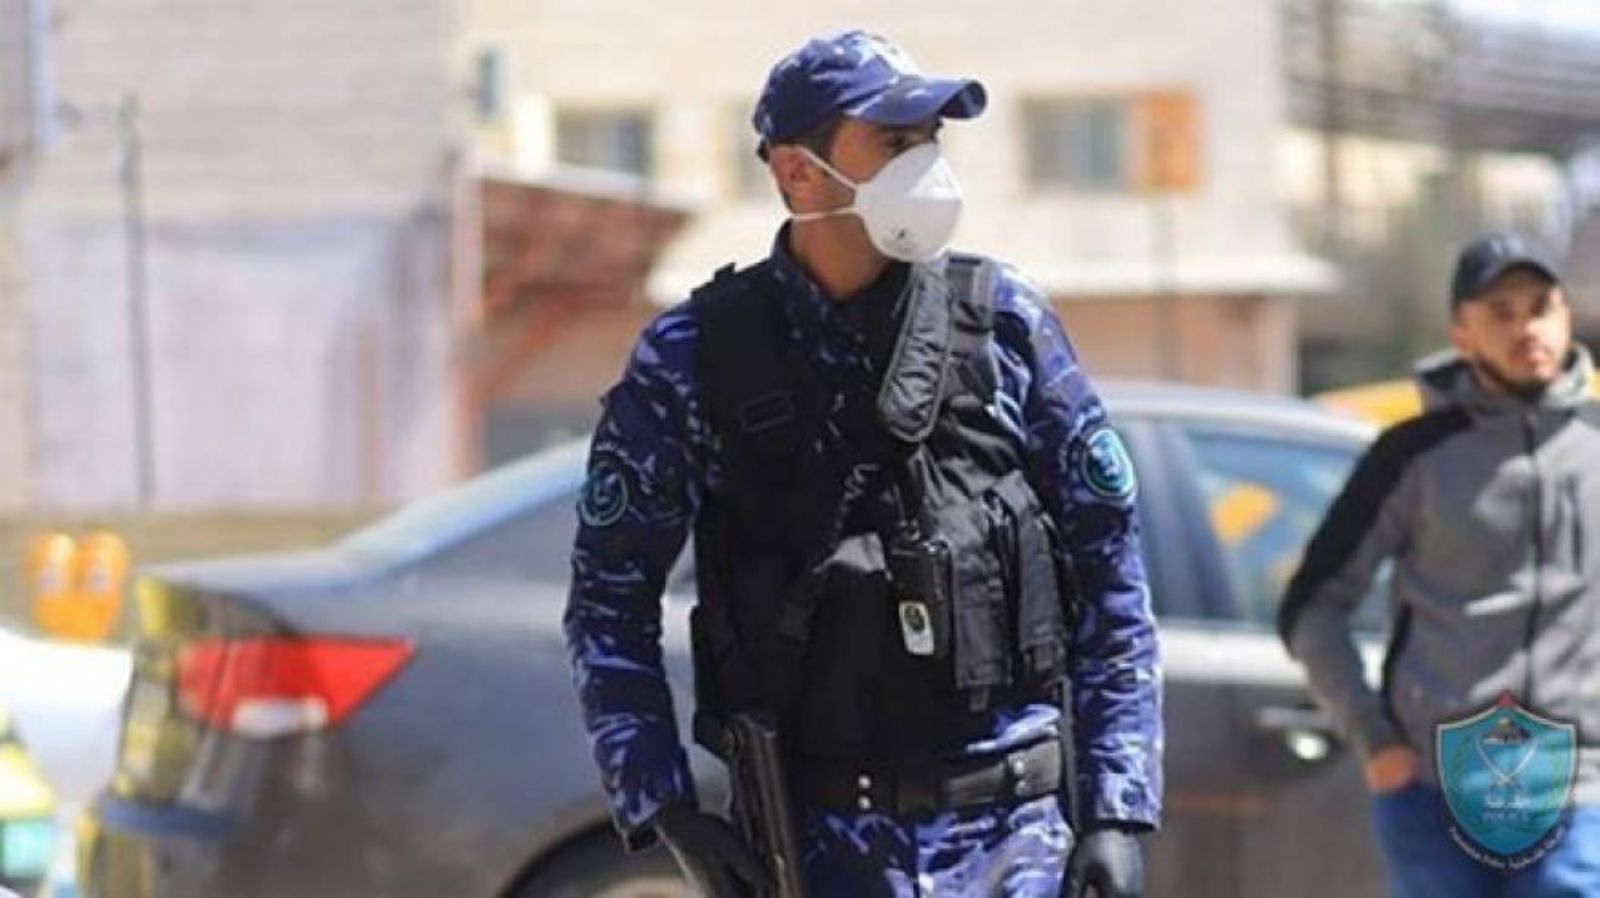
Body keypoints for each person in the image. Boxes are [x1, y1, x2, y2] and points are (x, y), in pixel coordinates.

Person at [564, 29, 1161, 897]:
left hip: (1015, 840)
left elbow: (1110, 571)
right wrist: (666, 805)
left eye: (928, 140)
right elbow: (608, 599)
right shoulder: (697, 353)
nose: (923, 165)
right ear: (797, 172)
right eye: (892, 142)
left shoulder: (1003, 322)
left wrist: (1115, 809)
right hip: (818, 846)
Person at [1279, 232, 1600, 897]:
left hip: (1580, 792)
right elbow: (1312, 607)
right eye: (1501, 312)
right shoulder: (1411, 457)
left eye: (1541, 308)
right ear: (1461, 333)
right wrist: (1376, 741)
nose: (1527, 329)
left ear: (1566, 316)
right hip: (1434, 790)